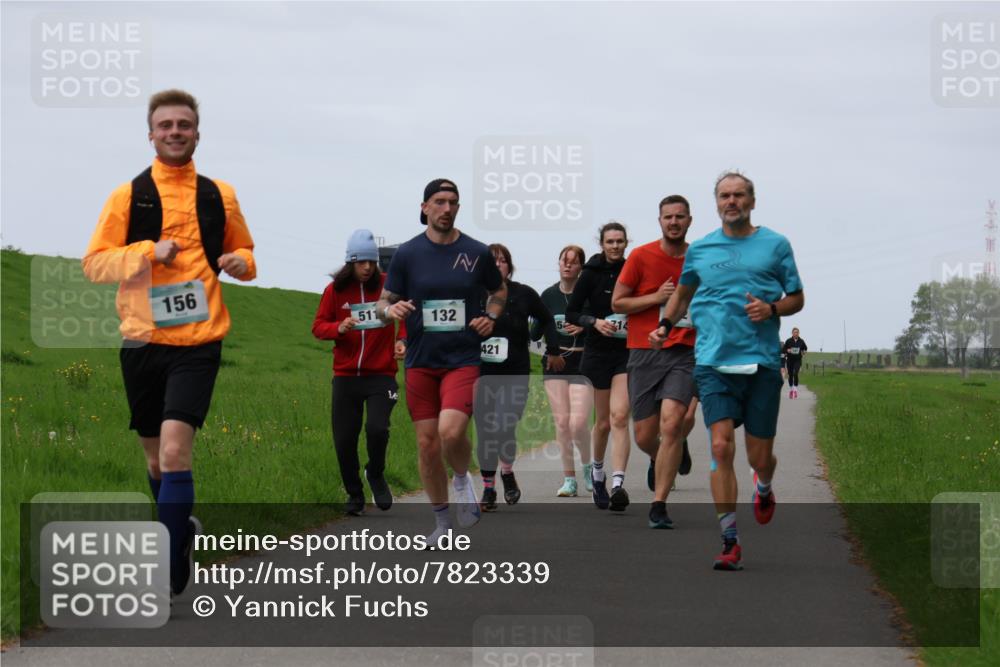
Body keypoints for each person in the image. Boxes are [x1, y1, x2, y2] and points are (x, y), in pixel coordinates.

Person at [82, 89, 257, 595]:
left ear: (197, 133)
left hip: (198, 341)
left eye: (184, 125)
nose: (175, 132)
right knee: (156, 460)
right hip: (141, 340)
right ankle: (179, 536)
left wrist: (243, 263)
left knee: (178, 452)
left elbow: (242, 249)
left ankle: (169, 565)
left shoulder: (218, 193)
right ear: (152, 134)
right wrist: (146, 252)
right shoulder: (127, 195)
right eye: (166, 125)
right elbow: (95, 264)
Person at [654, 171, 804, 570]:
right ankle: (730, 539)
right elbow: (683, 295)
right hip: (713, 363)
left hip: (761, 364)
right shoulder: (701, 250)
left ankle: (765, 485)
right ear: (716, 203)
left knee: (759, 458)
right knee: (720, 447)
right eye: (725, 196)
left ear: (752, 201)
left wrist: (772, 309)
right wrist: (666, 326)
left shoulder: (775, 245)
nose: (732, 201)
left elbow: (797, 297)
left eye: (739, 195)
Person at [377, 179, 506, 547]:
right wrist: (392, 310)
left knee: (451, 432)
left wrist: (491, 317)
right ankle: (441, 524)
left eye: (453, 202)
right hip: (420, 360)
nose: (447, 208)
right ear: (424, 208)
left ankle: (463, 480)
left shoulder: (477, 252)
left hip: (462, 358)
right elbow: (383, 302)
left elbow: (498, 291)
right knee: (427, 444)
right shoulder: (408, 254)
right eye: (439, 202)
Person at [612, 195, 699, 529]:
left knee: (672, 423)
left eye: (680, 217)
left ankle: (659, 504)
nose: (674, 222)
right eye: (668, 217)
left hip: (685, 351)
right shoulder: (640, 256)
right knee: (645, 436)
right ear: (659, 221)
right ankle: (662, 455)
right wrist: (657, 298)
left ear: (689, 220)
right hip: (643, 352)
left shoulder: (699, 258)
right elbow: (617, 302)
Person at [312, 229, 406, 515]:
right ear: (350, 263)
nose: (367, 267)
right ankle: (354, 495)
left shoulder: (388, 287)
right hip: (346, 377)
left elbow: (405, 316)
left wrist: (402, 339)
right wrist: (337, 329)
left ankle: (375, 473)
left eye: (371, 262)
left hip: (381, 375)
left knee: (377, 428)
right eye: (360, 262)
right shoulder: (335, 291)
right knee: (344, 439)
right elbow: (318, 326)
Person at [475, 244, 564, 511]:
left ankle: (507, 471)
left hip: (515, 372)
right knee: (485, 431)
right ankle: (489, 488)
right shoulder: (474, 294)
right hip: (481, 372)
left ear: (509, 266)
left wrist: (553, 350)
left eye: (502, 261)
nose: (498, 265)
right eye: (492, 261)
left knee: (504, 425)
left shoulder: (523, 293)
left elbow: (547, 319)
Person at [565, 222, 632, 511]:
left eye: (620, 241)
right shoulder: (590, 274)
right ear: (602, 243)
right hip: (598, 352)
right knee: (602, 422)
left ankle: (618, 484)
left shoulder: (633, 269)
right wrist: (594, 322)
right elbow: (572, 312)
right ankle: (598, 473)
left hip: (626, 353)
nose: (615, 246)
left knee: (620, 417)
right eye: (610, 241)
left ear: (626, 242)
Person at [539, 245, 593, 497]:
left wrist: (584, 326)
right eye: (564, 260)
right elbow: (533, 332)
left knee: (579, 422)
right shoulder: (548, 296)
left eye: (573, 261)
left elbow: (602, 325)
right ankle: (569, 480)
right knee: (562, 422)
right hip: (556, 362)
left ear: (581, 267)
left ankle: (588, 467)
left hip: (583, 363)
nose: (568, 265)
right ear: (559, 264)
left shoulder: (589, 296)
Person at [782, 328, 807, 398]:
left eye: (797, 332)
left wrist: (804, 352)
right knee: (790, 375)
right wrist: (787, 350)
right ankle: (791, 390)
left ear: (799, 333)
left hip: (798, 360)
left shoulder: (801, 341)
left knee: (795, 373)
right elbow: (784, 349)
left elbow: (805, 348)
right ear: (792, 333)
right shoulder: (788, 341)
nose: (795, 333)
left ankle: (795, 390)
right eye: (794, 332)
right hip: (790, 360)